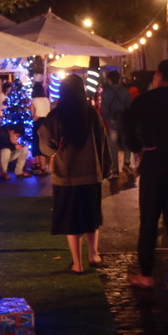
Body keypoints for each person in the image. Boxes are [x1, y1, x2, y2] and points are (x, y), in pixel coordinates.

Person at [122, 59, 168, 296]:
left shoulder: (147, 100)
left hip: (155, 164)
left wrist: (137, 145)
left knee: (150, 222)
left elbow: (127, 121)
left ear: (159, 76)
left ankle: (146, 275)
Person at [39, 73, 110, 274]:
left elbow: (46, 144)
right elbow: (103, 145)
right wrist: (104, 169)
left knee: (72, 221)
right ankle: (94, 255)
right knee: (91, 217)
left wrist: (53, 151)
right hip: (90, 174)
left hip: (65, 176)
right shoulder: (92, 115)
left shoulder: (56, 116)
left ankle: (77, 264)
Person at [100, 70, 133, 177]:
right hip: (124, 119)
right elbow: (130, 107)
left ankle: (114, 169)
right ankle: (126, 163)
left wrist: (108, 118)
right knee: (126, 141)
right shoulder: (125, 91)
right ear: (119, 79)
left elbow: (103, 111)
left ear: (109, 80)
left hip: (112, 120)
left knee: (113, 145)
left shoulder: (105, 93)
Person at [30, 75, 52, 175]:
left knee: (37, 144)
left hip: (38, 122)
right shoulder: (46, 99)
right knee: (43, 143)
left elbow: (33, 115)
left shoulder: (34, 100)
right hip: (47, 123)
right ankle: (40, 165)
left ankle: (41, 167)